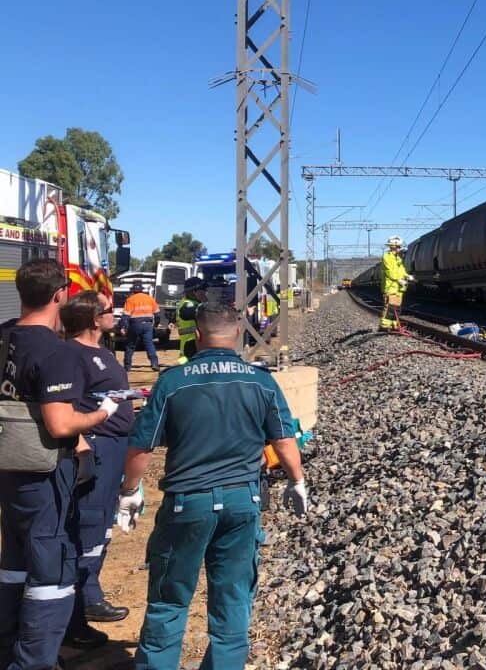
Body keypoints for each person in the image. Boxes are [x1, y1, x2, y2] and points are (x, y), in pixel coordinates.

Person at [117, 301, 307, 669]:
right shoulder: (261, 381)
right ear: (238, 333)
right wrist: (297, 480)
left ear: (198, 335)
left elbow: (142, 445)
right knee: (233, 599)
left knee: (170, 600)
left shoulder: (173, 382)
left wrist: (130, 490)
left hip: (188, 503)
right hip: (242, 501)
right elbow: (284, 439)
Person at [0, 258, 120, 670]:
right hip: (43, 473)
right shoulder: (57, 351)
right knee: (51, 570)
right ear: (58, 295)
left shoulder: (3, 337)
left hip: (8, 470)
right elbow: (60, 421)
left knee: (15, 562)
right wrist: (102, 413)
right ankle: (34, 662)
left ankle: (7, 648)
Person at [60, 292, 134, 650]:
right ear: (93, 319)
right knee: (87, 526)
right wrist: (81, 444)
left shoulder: (103, 353)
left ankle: (90, 595)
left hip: (116, 448)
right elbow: (68, 407)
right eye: (109, 311)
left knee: (101, 525)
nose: (115, 315)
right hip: (98, 450)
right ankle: (74, 617)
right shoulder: (73, 356)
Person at [122, 283, 161, 372]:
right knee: (149, 344)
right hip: (148, 325)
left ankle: (127, 366)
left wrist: (124, 327)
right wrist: (155, 325)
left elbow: (126, 316)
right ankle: (154, 363)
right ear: (142, 290)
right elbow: (157, 314)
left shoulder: (130, 300)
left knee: (130, 345)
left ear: (133, 291)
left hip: (135, 325)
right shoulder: (149, 298)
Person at [174, 277, 207, 364]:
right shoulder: (188, 305)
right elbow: (189, 313)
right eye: (203, 290)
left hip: (193, 345)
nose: (205, 292)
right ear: (194, 292)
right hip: (191, 346)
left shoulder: (194, 303)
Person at [379, 236, 408, 331]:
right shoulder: (386, 257)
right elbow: (390, 271)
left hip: (399, 288)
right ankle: (384, 326)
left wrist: (407, 276)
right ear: (393, 246)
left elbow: (401, 270)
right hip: (390, 287)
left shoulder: (398, 259)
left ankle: (394, 325)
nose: (400, 248)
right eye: (399, 246)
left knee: (397, 308)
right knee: (389, 308)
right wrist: (399, 279)